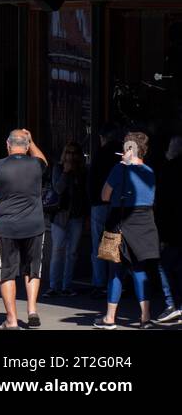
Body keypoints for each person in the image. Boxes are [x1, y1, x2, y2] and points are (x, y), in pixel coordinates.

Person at [94, 132, 182, 328]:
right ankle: (145, 317)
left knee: (116, 271)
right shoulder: (150, 171)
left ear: (129, 149)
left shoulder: (120, 169)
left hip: (122, 224)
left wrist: (123, 168)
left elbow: (104, 196)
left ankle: (109, 318)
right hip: (145, 225)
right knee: (140, 270)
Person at [0, 128, 48, 329]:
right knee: (32, 269)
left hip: (7, 228)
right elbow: (44, 161)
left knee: (6, 273)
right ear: (26, 147)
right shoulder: (35, 164)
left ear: (8, 145)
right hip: (34, 226)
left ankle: (11, 320)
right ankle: (32, 311)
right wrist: (32, 141)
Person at [48, 142, 90, 297]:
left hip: (76, 216)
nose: (71, 156)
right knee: (57, 250)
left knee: (72, 252)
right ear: (64, 154)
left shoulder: (82, 172)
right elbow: (57, 189)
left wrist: (87, 216)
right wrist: (66, 173)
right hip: (60, 216)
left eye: (74, 153)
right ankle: (54, 286)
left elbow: (86, 195)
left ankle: (67, 285)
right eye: (68, 152)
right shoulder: (58, 168)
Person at [88, 124, 121, 297]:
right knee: (112, 243)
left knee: (97, 244)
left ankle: (99, 282)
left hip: (100, 203)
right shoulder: (121, 154)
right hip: (115, 205)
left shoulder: (101, 154)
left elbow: (93, 179)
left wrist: (93, 200)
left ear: (103, 138)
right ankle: (112, 281)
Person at [159, 136, 182, 302]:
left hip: (172, 226)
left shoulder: (168, 169)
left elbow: (163, 202)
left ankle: (171, 303)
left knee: (165, 265)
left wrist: (162, 234)